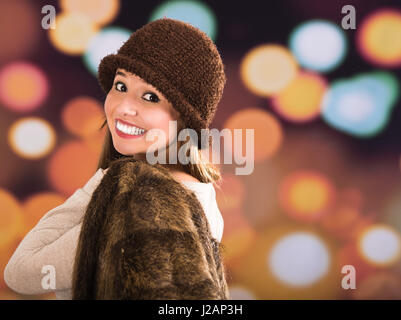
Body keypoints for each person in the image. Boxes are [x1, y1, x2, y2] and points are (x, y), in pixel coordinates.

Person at [4, 17, 229, 299]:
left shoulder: (139, 205)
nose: (123, 107)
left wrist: (102, 182)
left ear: (185, 118)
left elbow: (21, 272)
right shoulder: (200, 192)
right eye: (121, 86)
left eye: (149, 97)